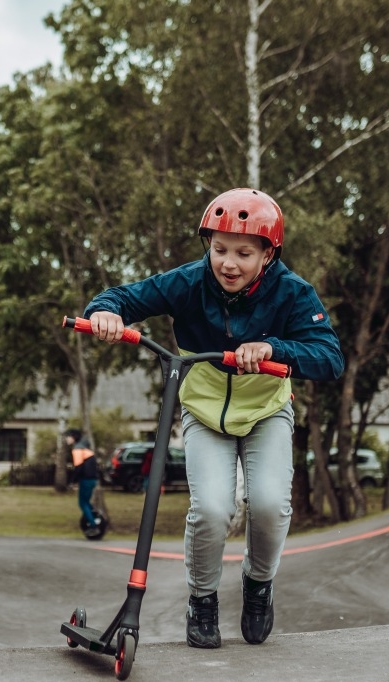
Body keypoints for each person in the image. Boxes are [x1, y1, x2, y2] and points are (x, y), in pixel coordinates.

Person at [83, 188, 344, 650]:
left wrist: (274, 348)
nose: (228, 263)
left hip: (265, 413)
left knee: (268, 503)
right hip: (204, 413)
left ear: (268, 254)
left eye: (244, 253)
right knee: (210, 510)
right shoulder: (189, 282)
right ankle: (202, 599)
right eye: (220, 249)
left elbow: (329, 358)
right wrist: (104, 312)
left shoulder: (293, 292)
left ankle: (258, 585)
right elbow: (123, 297)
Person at [65, 429, 102, 534]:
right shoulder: (86, 449)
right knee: (86, 502)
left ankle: (94, 527)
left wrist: (72, 481)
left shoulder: (77, 449)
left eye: (68, 436)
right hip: (93, 480)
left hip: (86, 480)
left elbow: (78, 467)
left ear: (74, 437)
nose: (66, 439)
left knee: (82, 503)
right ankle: (95, 515)